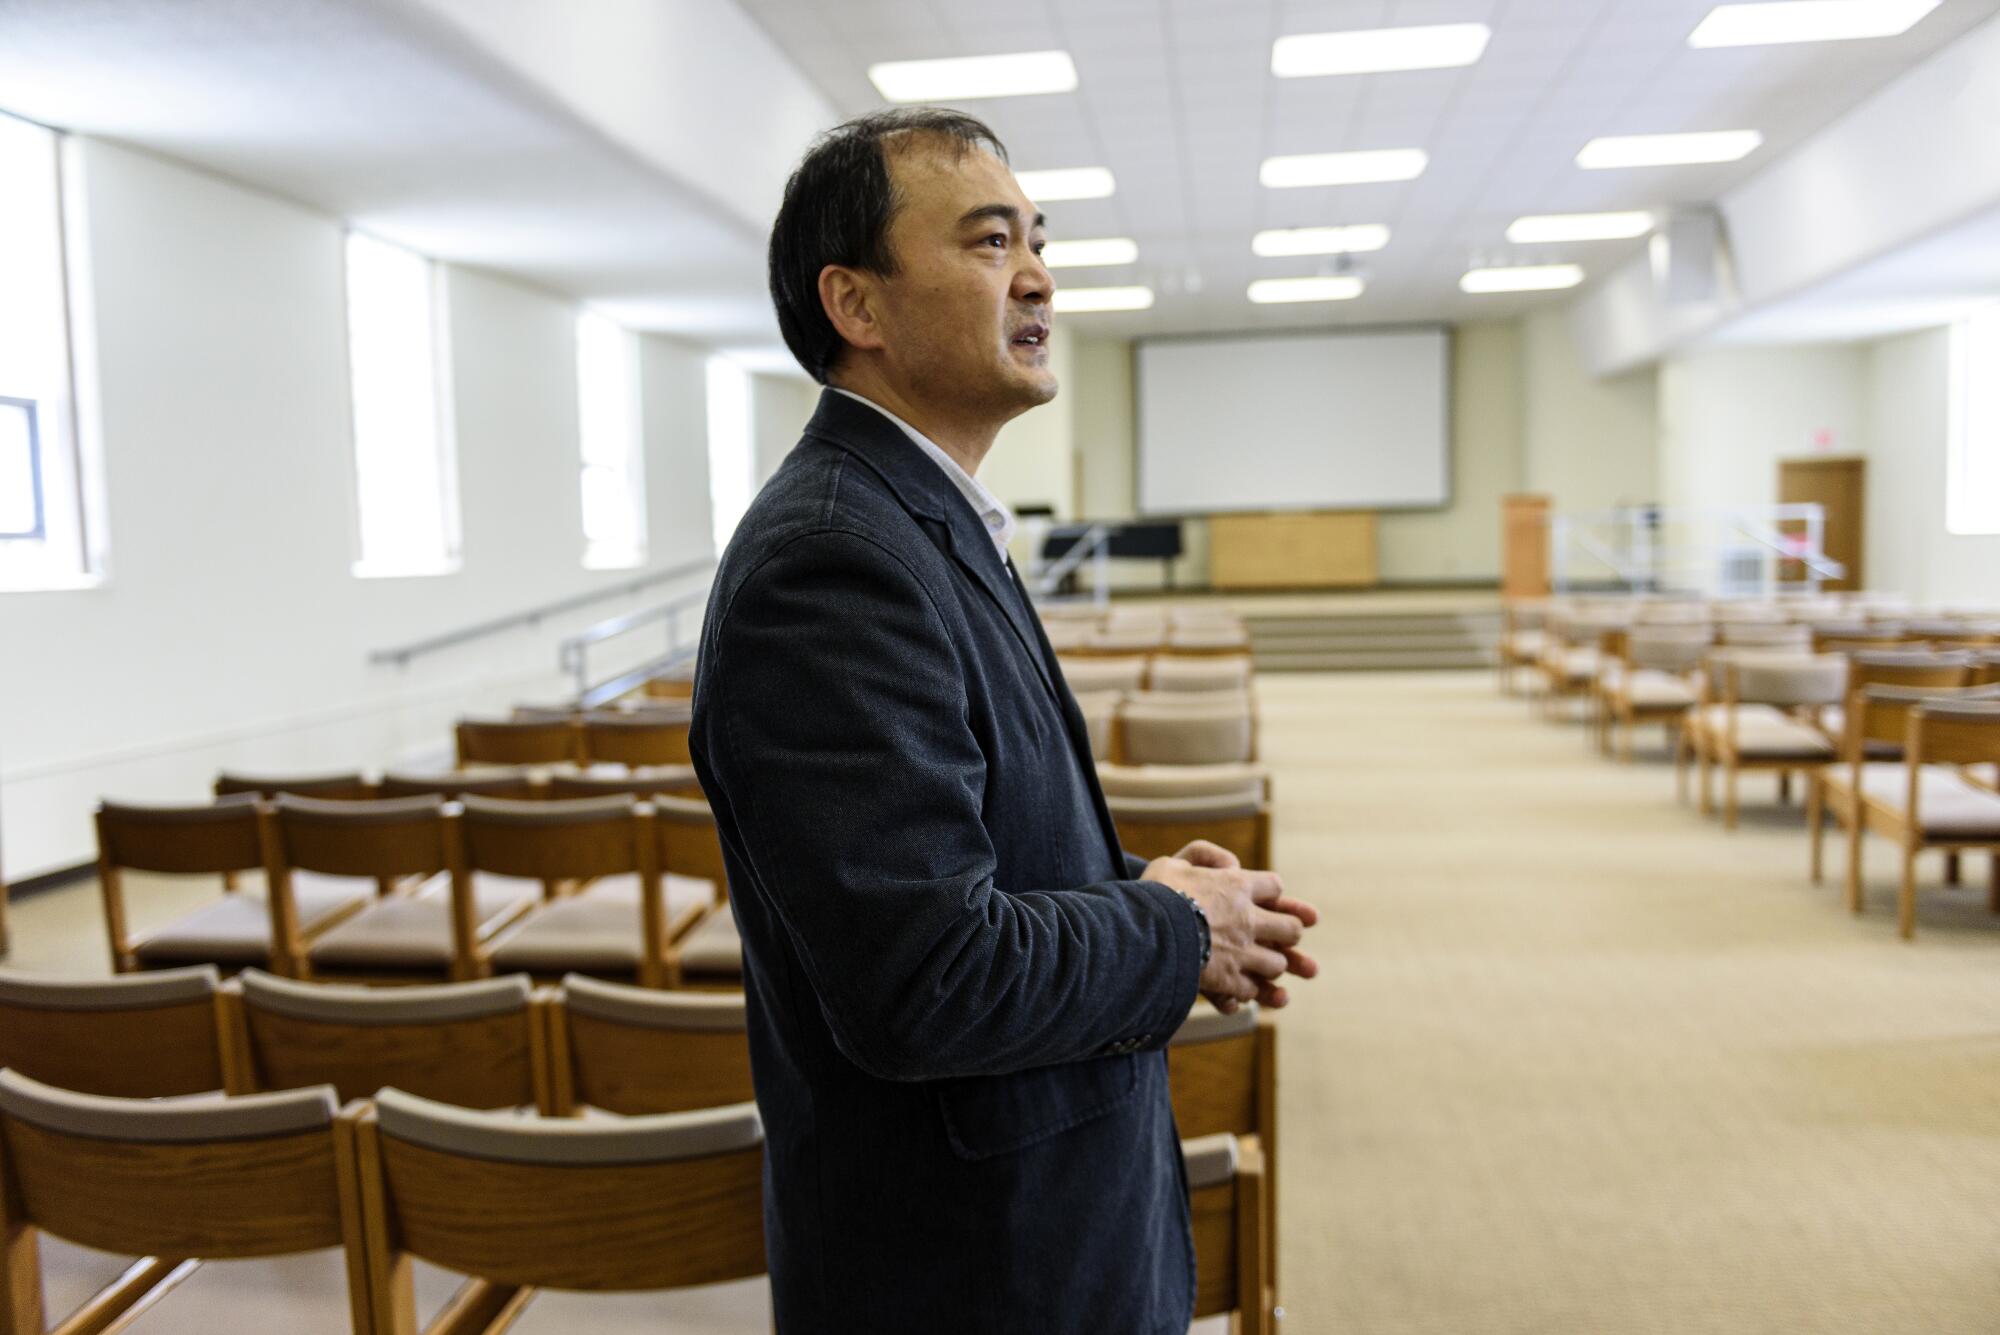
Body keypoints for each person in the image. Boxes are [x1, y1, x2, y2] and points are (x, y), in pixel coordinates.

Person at [689, 107, 1318, 1334]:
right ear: (855, 306)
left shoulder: (913, 517)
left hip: (1032, 1225)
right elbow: (925, 979)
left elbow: (956, 855)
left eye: (1036, 239)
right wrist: (1171, 933)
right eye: (987, 242)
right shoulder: (832, 561)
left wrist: (1134, 885)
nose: (1036, 275)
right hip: (972, 1268)